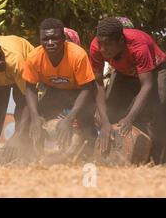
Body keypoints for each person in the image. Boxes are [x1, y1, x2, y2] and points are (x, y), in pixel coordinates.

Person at [90, 17, 166, 163]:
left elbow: (147, 85)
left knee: (156, 112)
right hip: (124, 71)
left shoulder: (139, 45)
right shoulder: (96, 47)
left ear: (121, 41)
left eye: (108, 45)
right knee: (110, 110)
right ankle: (114, 158)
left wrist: (130, 117)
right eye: (100, 44)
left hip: (156, 71)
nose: (103, 49)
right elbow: (98, 85)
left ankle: (157, 161)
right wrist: (105, 122)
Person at [23, 18, 97, 159]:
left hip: (79, 92)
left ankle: (90, 157)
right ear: (40, 40)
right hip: (54, 92)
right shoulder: (33, 58)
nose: (50, 43)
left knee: (86, 122)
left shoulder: (78, 55)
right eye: (45, 39)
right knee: (33, 119)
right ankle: (35, 156)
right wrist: (35, 116)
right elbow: (30, 87)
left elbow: (88, 88)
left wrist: (69, 118)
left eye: (55, 38)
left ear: (64, 39)